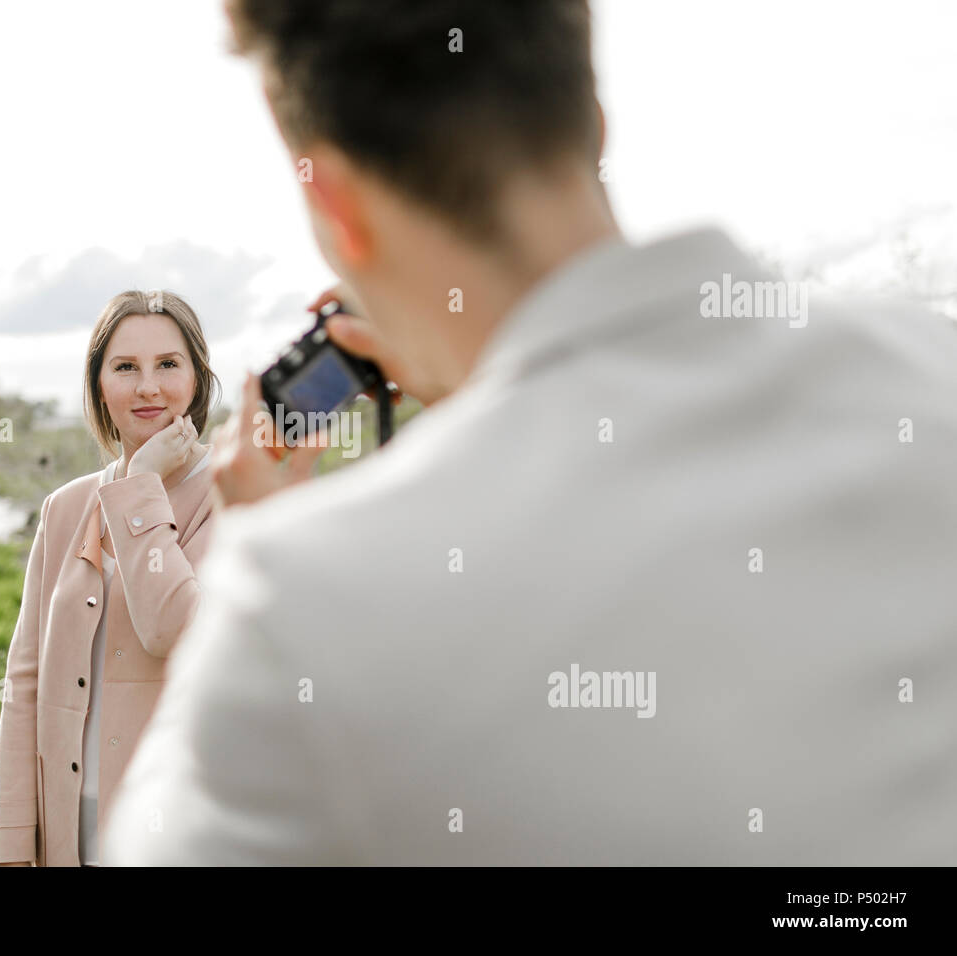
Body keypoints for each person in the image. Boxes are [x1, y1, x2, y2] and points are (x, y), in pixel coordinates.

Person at [101, 0, 957, 864]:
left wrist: (251, 545)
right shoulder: (935, 367)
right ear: (592, 124)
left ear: (335, 207)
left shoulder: (300, 607)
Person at [0, 289, 221, 866]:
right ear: (99, 384)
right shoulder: (64, 509)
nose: (148, 387)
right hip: (71, 828)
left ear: (197, 380)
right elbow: (24, 684)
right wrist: (14, 844)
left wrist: (141, 485)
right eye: (126, 367)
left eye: (168, 364)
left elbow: (175, 631)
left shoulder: (232, 495)